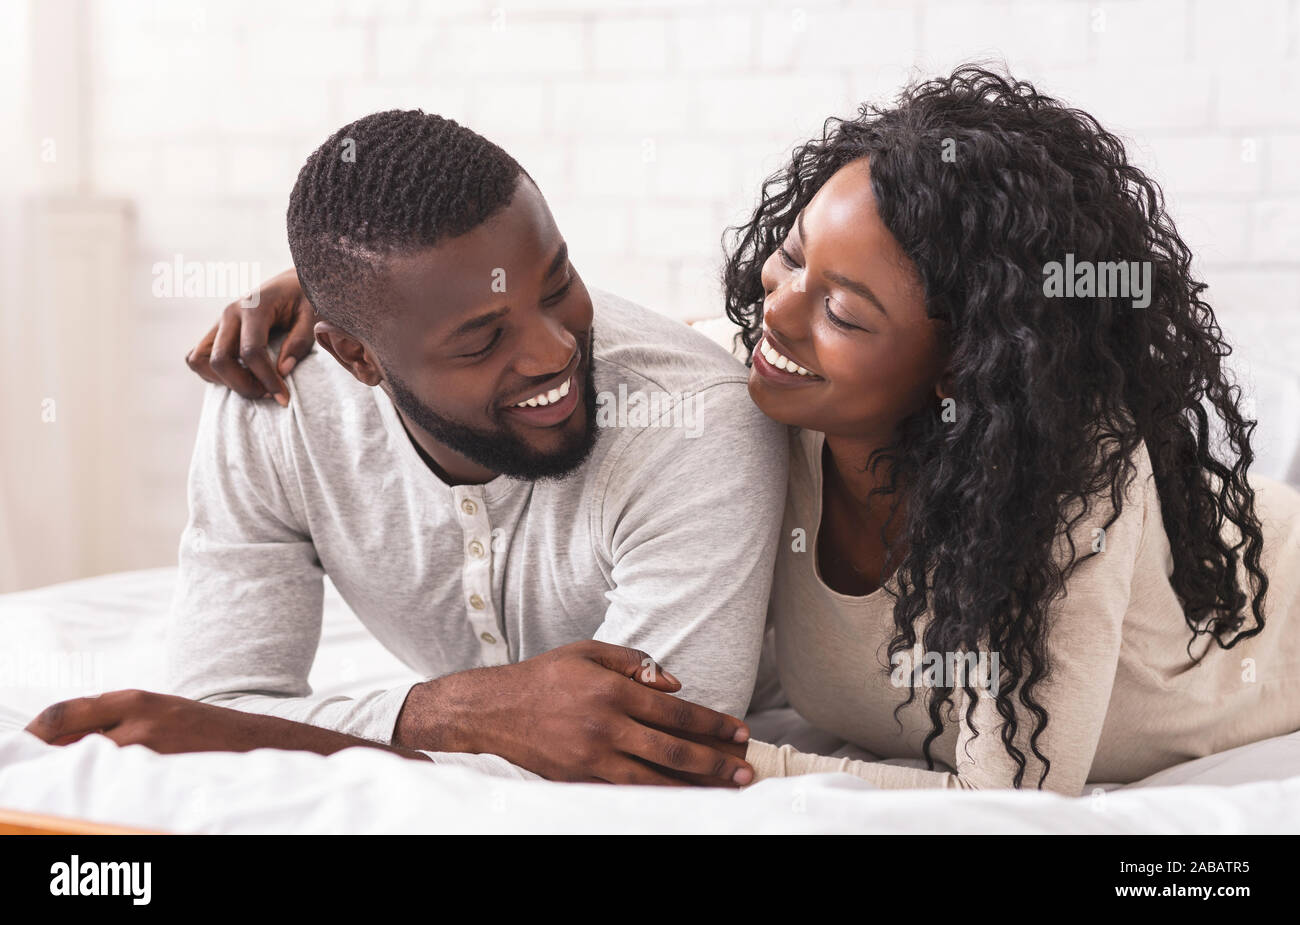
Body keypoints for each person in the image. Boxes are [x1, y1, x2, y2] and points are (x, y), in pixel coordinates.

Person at [178, 67, 1300, 797]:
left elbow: (1004, 800)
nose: (776, 310)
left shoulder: (1065, 488)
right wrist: (341, 291)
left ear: (964, 362)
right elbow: (594, 337)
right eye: (793, 254)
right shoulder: (776, 405)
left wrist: (745, 760)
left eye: (843, 312)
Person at [25, 110, 790, 788]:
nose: (555, 351)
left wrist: (305, 724)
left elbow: (654, 748)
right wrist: (452, 712)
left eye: (557, 284)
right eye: (484, 338)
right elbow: (220, 706)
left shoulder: (695, 422)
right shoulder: (276, 403)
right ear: (359, 360)